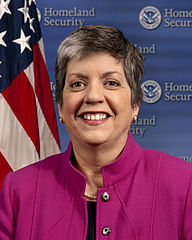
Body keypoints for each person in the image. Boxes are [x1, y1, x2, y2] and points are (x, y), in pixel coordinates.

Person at [0, 25, 192, 240]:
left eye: (111, 83)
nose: (93, 96)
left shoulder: (185, 185)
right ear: (61, 106)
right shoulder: (17, 190)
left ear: (135, 104)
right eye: (77, 84)